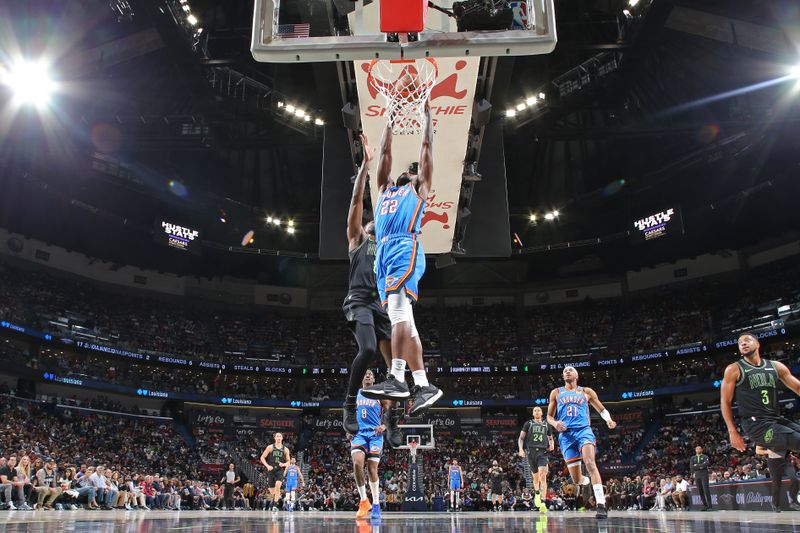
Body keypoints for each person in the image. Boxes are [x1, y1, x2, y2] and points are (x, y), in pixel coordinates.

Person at [359, 95, 442, 415]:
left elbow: (426, 153)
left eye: (411, 171)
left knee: (397, 313)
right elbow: (385, 155)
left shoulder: (418, 189)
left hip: (404, 248)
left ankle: (396, 376)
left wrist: (427, 122)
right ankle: (423, 384)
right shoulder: (384, 191)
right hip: (385, 255)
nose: (407, 172)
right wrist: (389, 121)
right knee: (406, 320)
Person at [342, 132, 402, 448]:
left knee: (396, 368)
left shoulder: (386, 249)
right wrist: (365, 166)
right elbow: (357, 200)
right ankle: (349, 403)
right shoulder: (357, 240)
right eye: (373, 222)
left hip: (378, 306)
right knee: (366, 350)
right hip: (358, 301)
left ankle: (391, 419)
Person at [720, 332, 800, 512]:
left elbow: (797, 387)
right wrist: (732, 431)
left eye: (747, 340)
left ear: (758, 343)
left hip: (776, 419)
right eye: (740, 342)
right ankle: (763, 447)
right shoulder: (734, 369)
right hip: (755, 423)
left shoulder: (775, 366)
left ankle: (763, 448)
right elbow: (725, 401)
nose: (743, 343)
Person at [547, 365, 618, 519]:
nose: (567, 371)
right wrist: (555, 424)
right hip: (566, 436)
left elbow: (601, 409)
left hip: (583, 430)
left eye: (570, 370)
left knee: (590, 463)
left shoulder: (586, 391)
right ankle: (585, 481)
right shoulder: (556, 392)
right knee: (577, 480)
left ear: (577, 375)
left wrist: (609, 420)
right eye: (565, 370)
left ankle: (601, 504)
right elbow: (549, 417)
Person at [350, 370, 389, 520]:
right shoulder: (354, 394)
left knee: (372, 469)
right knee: (357, 464)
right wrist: (349, 428)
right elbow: (348, 413)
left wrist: (384, 426)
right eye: (365, 373)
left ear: (373, 379)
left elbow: (391, 413)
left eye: (370, 374)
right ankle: (364, 500)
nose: (367, 375)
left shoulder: (379, 395)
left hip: (375, 435)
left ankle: (377, 504)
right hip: (359, 434)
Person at [518, 406, 554, 513]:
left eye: (538, 410)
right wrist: (520, 449)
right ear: (533, 413)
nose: (537, 411)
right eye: (535, 410)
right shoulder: (528, 424)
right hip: (531, 452)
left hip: (542, 452)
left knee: (543, 476)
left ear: (542, 413)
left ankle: (543, 502)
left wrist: (552, 444)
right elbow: (521, 438)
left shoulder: (546, 425)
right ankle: (537, 493)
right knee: (536, 479)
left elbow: (551, 439)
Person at [260, 432, 291, 513]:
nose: (279, 437)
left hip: (279, 471)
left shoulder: (285, 449)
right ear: (275, 438)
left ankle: (275, 506)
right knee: (272, 491)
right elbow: (262, 457)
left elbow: (288, 461)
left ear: (282, 438)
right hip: (271, 471)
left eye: (280, 436)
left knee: (278, 486)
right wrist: (267, 466)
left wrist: (284, 464)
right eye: (277, 436)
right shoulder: (270, 447)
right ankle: (276, 498)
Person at [690, 446, 712, 511]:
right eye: (697, 449)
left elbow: (707, 464)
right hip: (697, 475)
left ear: (702, 450)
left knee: (706, 490)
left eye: (700, 448)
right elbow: (691, 466)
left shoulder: (705, 456)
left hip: (704, 474)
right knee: (700, 490)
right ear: (695, 450)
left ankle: (710, 506)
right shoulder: (693, 458)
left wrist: (697, 465)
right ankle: (705, 505)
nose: (699, 449)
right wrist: (701, 466)